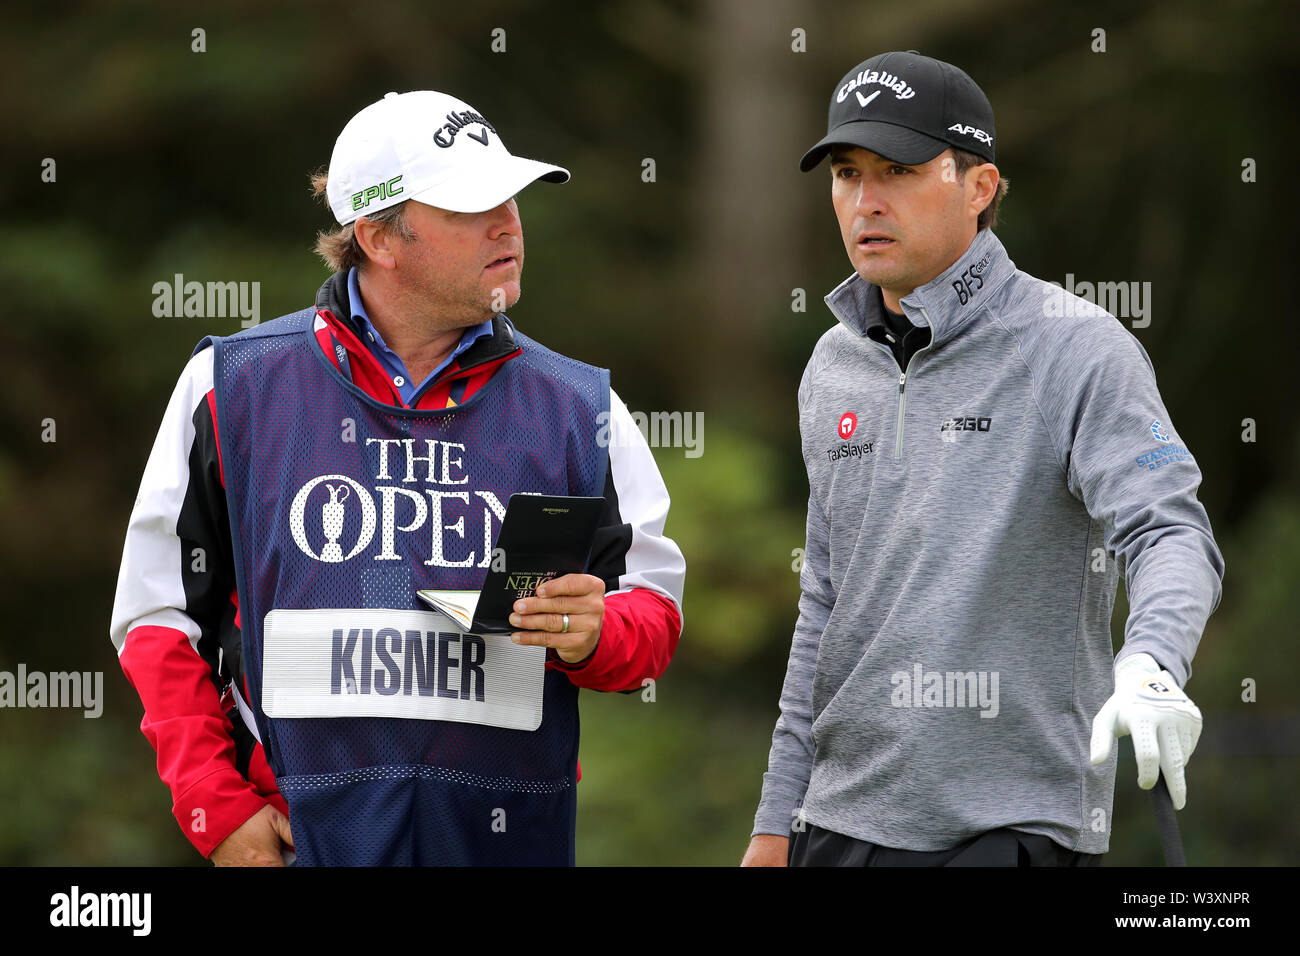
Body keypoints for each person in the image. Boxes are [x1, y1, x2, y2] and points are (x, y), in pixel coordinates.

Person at [110, 90, 685, 866]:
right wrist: (215, 806)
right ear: (379, 237)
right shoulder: (228, 386)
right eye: (470, 205)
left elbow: (652, 609)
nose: (508, 223)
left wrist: (596, 634)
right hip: (299, 842)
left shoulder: (583, 406)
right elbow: (158, 619)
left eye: (510, 196)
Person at [742, 51, 1223, 867]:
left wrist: (1152, 662)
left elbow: (1170, 530)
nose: (866, 201)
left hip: (1013, 827)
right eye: (848, 173)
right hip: (839, 823)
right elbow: (823, 602)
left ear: (979, 187)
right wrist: (775, 818)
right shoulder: (831, 364)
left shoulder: (1075, 346)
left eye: (898, 170)